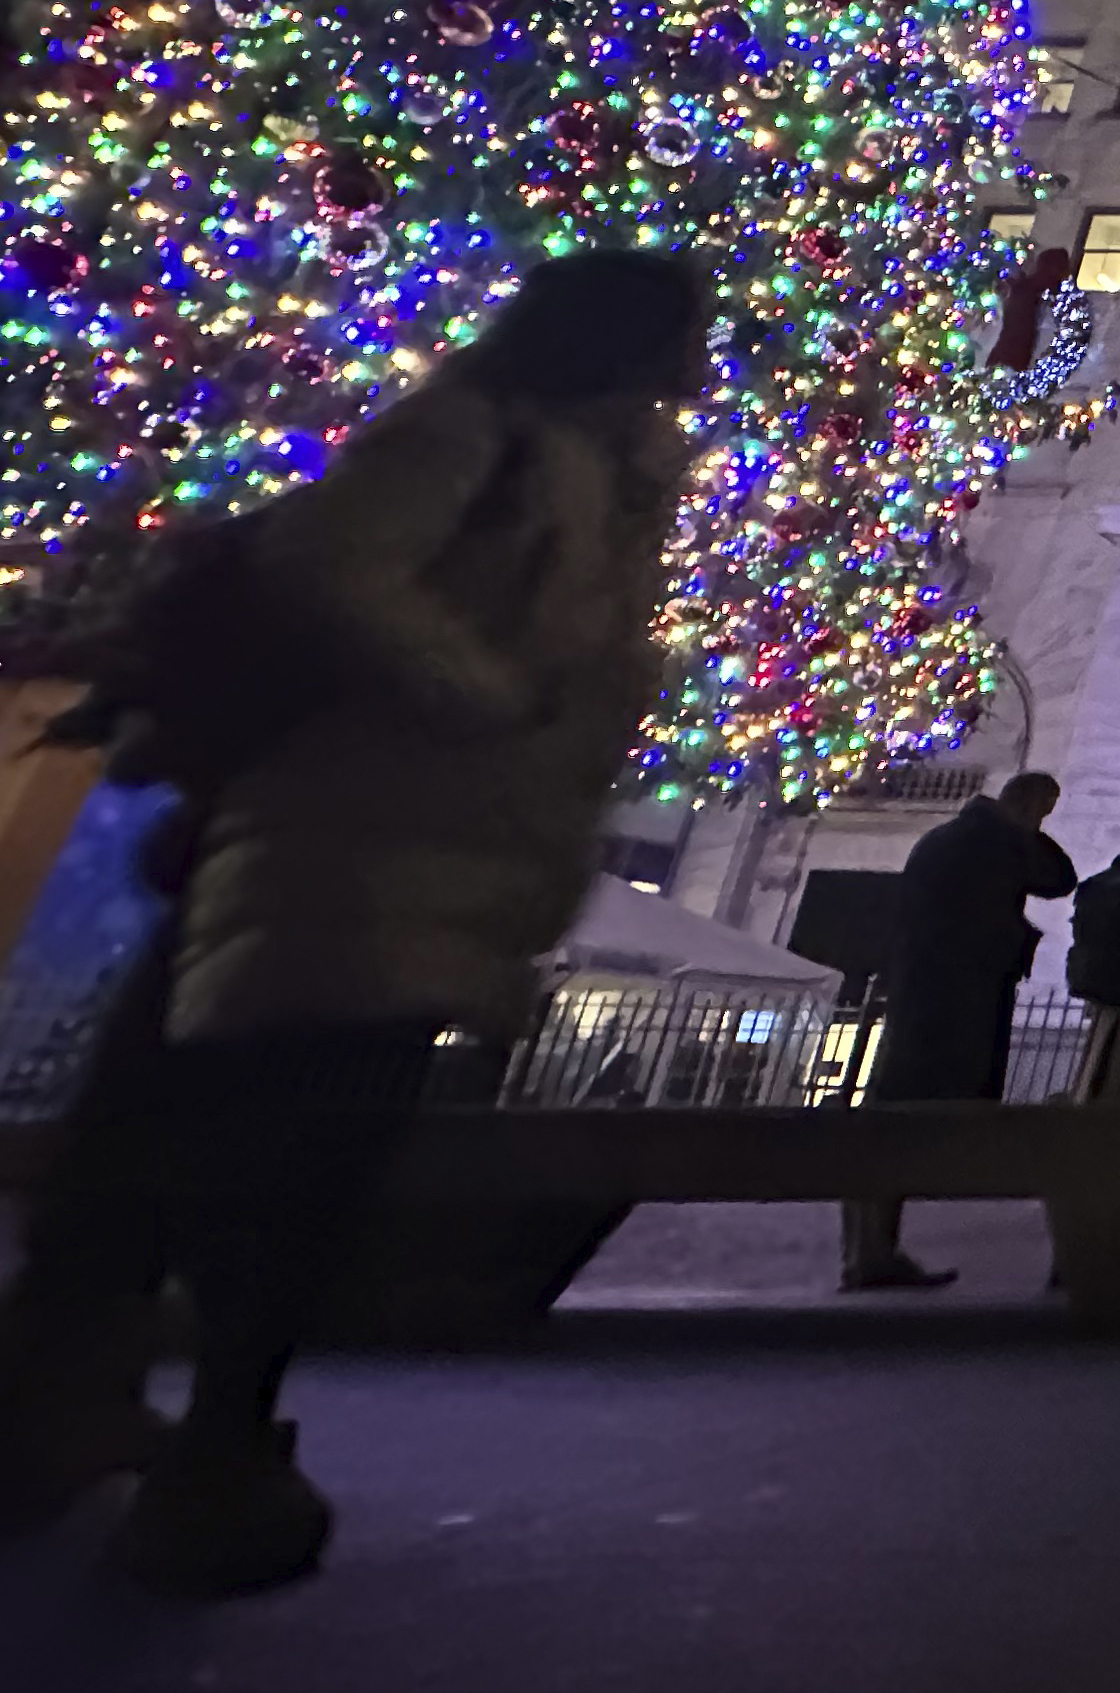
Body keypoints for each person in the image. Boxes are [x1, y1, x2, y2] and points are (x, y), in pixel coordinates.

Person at [0, 249, 703, 1596]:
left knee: (275, 1132)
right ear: (619, 334)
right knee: (256, 1130)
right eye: (685, 333)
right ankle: (180, 1427)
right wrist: (471, 686)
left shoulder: (617, 473)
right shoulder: (474, 430)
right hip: (341, 830)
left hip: (443, 847)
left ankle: (142, 1405)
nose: (701, 362)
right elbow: (328, 559)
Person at [842, 769, 1077, 1290]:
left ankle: (869, 1247)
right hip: (960, 1003)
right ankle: (873, 1251)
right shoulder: (997, 843)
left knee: (892, 1118)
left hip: (921, 995)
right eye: (1045, 810)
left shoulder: (944, 838)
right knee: (911, 1123)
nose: (1045, 821)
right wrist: (1027, 829)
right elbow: (1061, 878)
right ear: (1031, 805)